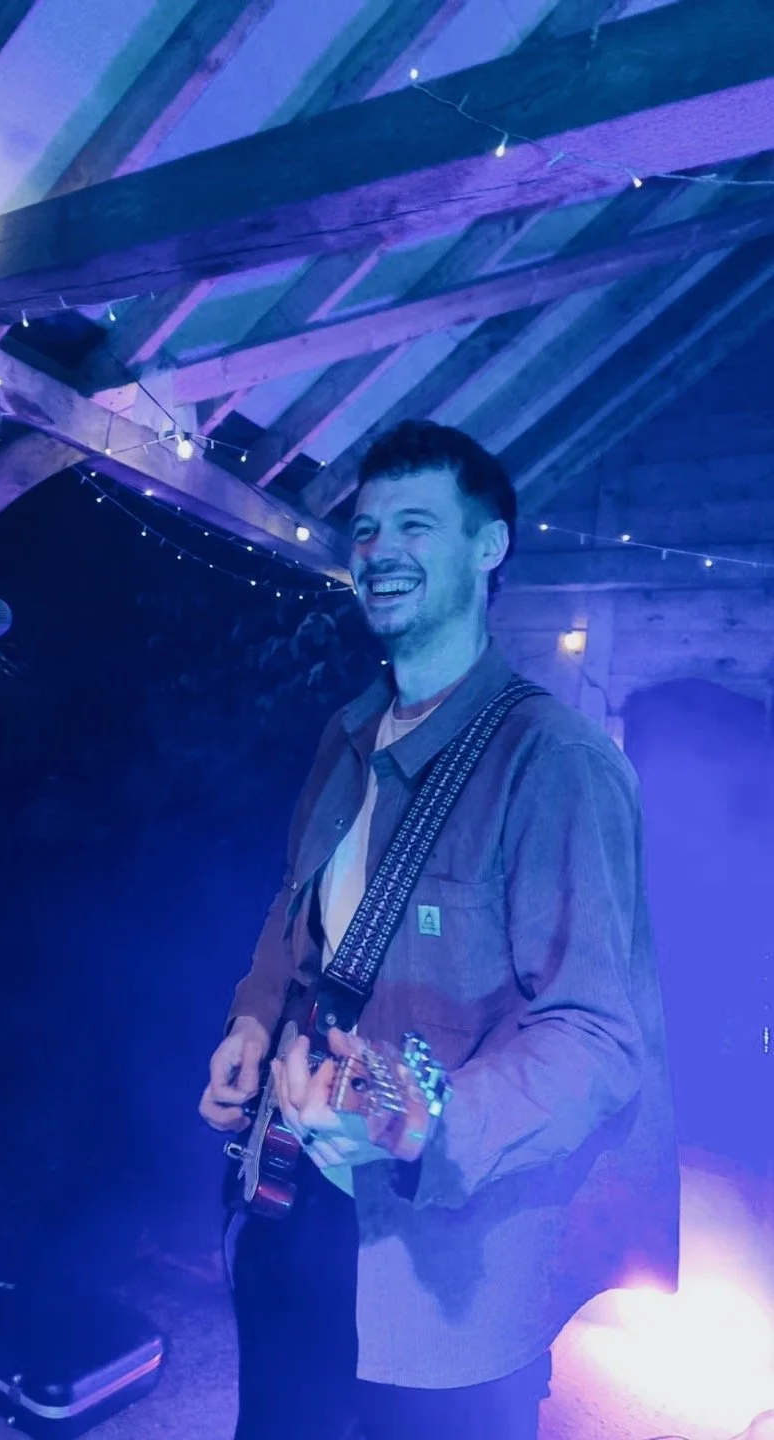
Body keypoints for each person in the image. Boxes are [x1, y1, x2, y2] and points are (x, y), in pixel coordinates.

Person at [199, 420, 679, 1440]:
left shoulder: (557, 763)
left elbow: (599, 1039)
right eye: (367, 531)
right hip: (291, 1208)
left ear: (490, 545)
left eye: (417, 525)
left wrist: (433, 1123)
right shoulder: (346, 733)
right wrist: (250, 1026)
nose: (379, 553)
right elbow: (297, 925)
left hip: (446, 1274)